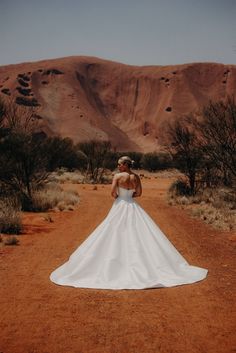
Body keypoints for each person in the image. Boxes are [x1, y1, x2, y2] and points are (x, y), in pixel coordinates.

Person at [50, 156, 208, 290]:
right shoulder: (136, 177)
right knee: (139, 233)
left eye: (120, 164)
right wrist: (130, 196)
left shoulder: (118, 177)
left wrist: (119, 196)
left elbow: (112, 192)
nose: (118, 166)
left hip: (119, 204)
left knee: (112, 232)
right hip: (132, 204)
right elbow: (139, 193)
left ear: (125, 165)